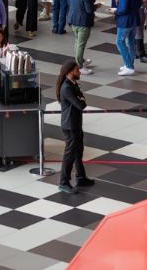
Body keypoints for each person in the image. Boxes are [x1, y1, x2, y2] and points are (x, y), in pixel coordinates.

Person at [56, 60, 93, 194]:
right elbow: (81, 104)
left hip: (75, 123)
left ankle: (80, 177)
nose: (79, 73)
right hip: (70, 126)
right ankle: (63, 182)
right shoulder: (66, 88)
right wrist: (81, 99)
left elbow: (81, 98)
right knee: (70, 154)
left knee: (78, 151)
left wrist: (81, 98)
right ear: (70, 72)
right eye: (77, 71)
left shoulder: (73, 84)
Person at [67, 0, 96, 75]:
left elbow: (69, 2)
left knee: (77, 42)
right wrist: (96, 6)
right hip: (83, 22)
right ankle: (79, 66)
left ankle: (80, 60)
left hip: (73, 20)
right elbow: (89, 10)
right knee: (81, 44)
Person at [114, 0, 142, 76]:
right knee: (131, 43)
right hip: (134, 20)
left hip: (125, 22)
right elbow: (139, 4)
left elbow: (123, 9)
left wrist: (115, 11)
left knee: (119, 42)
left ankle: (129, 66)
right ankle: (130, 65)